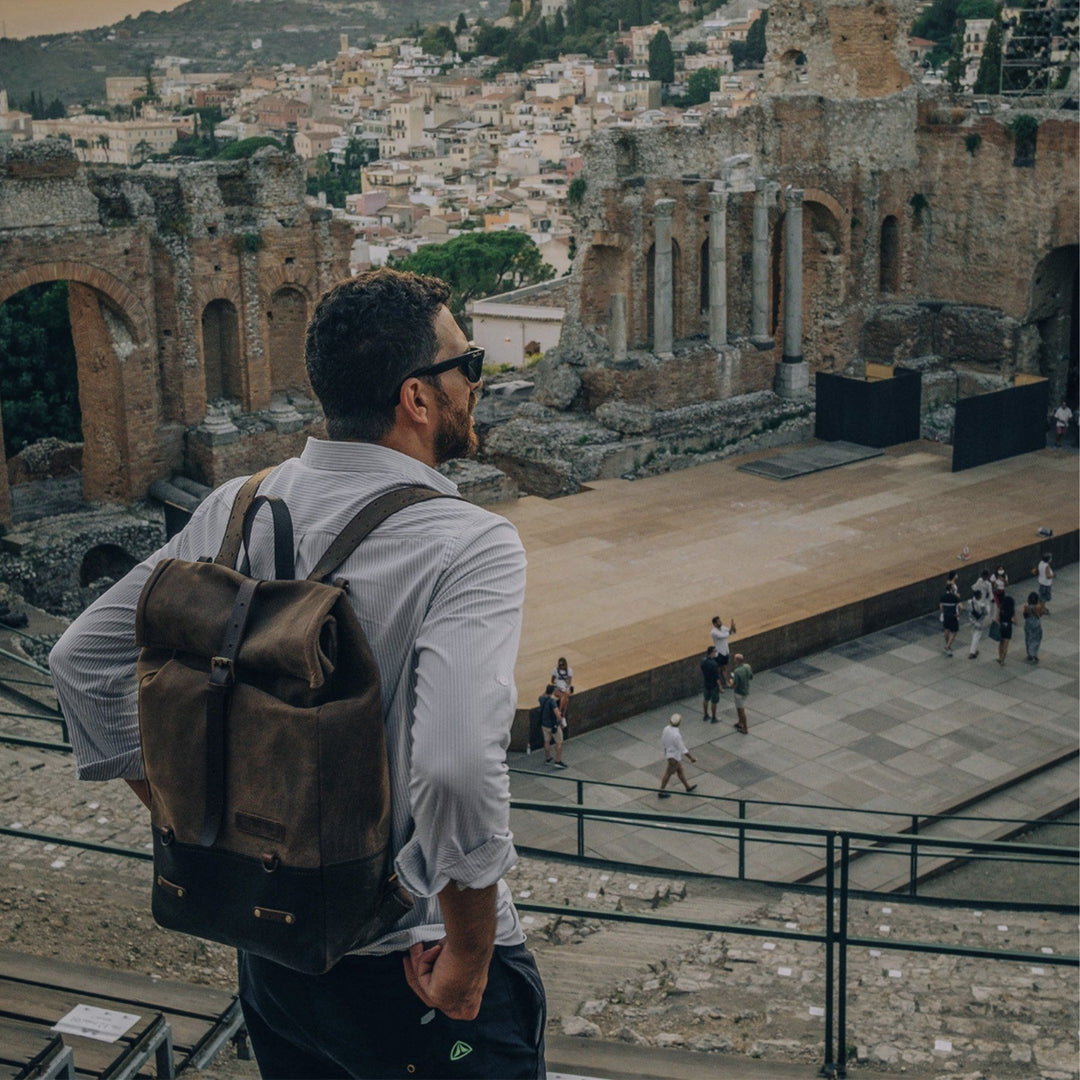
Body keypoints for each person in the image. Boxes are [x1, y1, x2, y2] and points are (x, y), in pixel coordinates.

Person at [48, 268, 547, 1079]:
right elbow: (455, 767)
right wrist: (467, 954)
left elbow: (80, 663)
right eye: (470, 364)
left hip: (276, 953)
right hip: (413, 971)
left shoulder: (234, 506)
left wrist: (201, 826)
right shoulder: (468, 544)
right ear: (417, 399)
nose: (477, 381)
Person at [657, 713, 697, 798]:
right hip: (674, 757)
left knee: (680, 771)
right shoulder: (676, 735)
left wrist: (665, 750)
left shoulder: (666, 728)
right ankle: (661, 791)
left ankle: (687, 787)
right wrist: (691, 758)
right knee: (668, 773)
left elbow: (663, 740)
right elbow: (682, 748)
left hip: (670, 754)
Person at [539, 684, 567, 768]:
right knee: (559, 742)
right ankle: (558, 761)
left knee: (546, 741)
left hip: (544, 724)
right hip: (553, 725)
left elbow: (543, 694)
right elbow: (557, 714)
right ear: (553, 692)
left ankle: (548, 758)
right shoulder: (552, 702)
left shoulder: (541, 699)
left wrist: (548, 690)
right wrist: (561, 722)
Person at [967, 569, 993, 659]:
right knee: (977, 635)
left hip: (971, 619)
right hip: (978, 620)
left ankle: (975, 649)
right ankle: (972, 652)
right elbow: (986, 612)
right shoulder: (982, 605)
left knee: (974, 634)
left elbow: (973, 588)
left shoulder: (971, 602)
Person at [710, 615, 736, 689]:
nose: (720, 622)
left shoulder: (723, 628)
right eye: (718, 621)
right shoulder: (713, 632)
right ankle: (724, 683)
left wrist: (733, 628)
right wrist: (731, 629)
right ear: (714, 624)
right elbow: (724, 636)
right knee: (721, 668)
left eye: (720, 621)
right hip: (719, 653)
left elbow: (732, 633)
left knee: (723, 668)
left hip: (725, 651)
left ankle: (725, 682)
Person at [729, 654, 753, 733]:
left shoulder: (737, 671)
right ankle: (740, 723)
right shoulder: (747, 667)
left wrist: (731, 682)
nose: (734, 660)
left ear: (737, 661)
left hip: (739, 692)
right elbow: (751, 677)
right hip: (746, 690)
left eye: (735, 659)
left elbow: (734, 685)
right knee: (739, 708)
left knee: (741, 710)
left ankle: (745, 728)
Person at [939, 574, 962, 656]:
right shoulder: (955, 597)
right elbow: (961, 606)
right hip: (953, 615)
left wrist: (944, 612)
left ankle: (948, 646)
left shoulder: (943, 596)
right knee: (954, 631)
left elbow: (941, 606)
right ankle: (948, 646)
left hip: (946, 615)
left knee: (946, 630)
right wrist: (958, 614)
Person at [1023, 591, 1047, 663]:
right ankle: (1034, 653)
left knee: (1028, 638)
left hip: (1028, 623)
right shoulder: (1038, 606)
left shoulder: (1026, 606)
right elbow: (1039, 615)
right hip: (1036, 624)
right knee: (1036, 639)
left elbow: (1025, 615)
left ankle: (1029, 653)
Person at [995, 590, 1017, 666]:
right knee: (1006, 645)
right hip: (1008, 627)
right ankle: (1003, 660)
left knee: (1000, 643)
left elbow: (996, 619)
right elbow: (1016, 621)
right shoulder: (1012, 610)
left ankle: (999, 657)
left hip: (1001, 626)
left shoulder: (1000, 609)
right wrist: (1011, 620)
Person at [700, 646, 721, 722]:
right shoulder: (714, 664)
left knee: (706, 699)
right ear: (711, 652)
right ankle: (714, 717)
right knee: (714, 701)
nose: (715, 653)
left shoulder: (703, 661)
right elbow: (717, 677)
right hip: (713, 685)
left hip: (706, 684)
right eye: (715, 652)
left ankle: (705, 715)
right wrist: (720, 687)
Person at [550, 657, 573, 721]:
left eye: (563, 665)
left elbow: (570, 682)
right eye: (560, 665)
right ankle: (562, 715)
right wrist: (557, 684)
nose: (562, 666)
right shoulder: (555, 670)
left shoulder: (569, 670)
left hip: (565, 689)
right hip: (558, 689)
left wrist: (567, 688)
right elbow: (552, 681)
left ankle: (560, 713)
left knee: (565, 696)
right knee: (566, 698)